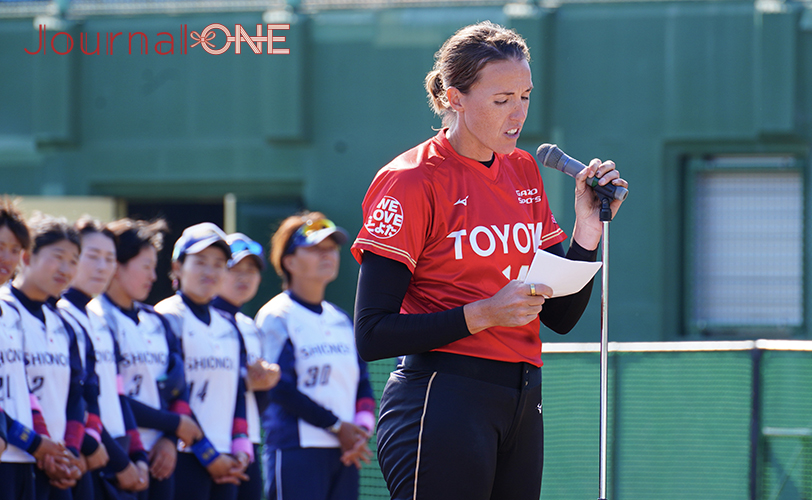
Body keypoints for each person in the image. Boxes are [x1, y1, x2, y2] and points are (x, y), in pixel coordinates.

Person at [351, 21, 629, 500]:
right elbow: (371, 334)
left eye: (524, 95)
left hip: (522, 400)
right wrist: (482, 314)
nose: (518, 113)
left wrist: (588, 228)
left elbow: (560, 316)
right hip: (441, 398)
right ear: (455, 98)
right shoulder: (412, 180)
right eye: (501, 99)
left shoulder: (522, 168)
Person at [255, 212, 375, 500]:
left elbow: (362, 383)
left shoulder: (342, 319)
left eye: (331, 248)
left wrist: (361, 430)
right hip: (296, 449)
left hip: (346, 452)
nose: (327, 254)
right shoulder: (276, 315)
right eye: (314, 248)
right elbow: (279, 388)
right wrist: (336, 426)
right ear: (289, 261)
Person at [98, 218, 203, 500]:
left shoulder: (156, 321)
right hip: (118, 458)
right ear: (117, 267)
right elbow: (110, 395)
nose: (153, 277)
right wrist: (174, 425)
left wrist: (170, 440)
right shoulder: (96, 320)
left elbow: (178, 388)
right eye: (145, 266)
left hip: (160, 460)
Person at [155, 223, 252, 500]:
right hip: (182, 454)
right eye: (200, 262)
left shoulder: (228, 325)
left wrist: (241, 446)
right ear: (177, 267)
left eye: (219, 264)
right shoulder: (167, 315)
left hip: (226, 458)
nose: (210, 271)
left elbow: (237, 391)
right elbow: (171, 393)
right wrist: (207, 453)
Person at [56, 218, 150, 499]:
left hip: (116, 451)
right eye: (92, 256)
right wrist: (119, 461)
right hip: (90, 451)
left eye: (109, 258)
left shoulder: (99, 319)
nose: (102, 266)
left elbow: (117, 395)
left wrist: (138, 455)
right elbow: (77, 398)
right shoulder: (61, 316)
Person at [3, 214, 90, 500]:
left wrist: (71, 453)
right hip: (19, 454)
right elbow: (24, 390)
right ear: (29, 257)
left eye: (74, 261)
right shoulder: (9, 310)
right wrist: (38, 444)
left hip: (51, 461)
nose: (66, 269)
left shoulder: (66, 325)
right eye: (58, 257)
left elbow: (77, 393)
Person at [212, 233, 281, 500]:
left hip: (247, 441)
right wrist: (246, 381)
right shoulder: (199, 318)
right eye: (235, 269)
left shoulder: (249, 326)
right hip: (208, 442)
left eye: (251, 270)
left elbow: (258, 400)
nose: (244, 277)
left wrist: (267, 382)